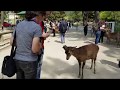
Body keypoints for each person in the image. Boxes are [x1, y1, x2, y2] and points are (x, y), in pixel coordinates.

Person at [10, 11, 43, 79]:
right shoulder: (37, 27)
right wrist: (39, 48)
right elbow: (34, 49)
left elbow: (11, 42)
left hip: (17, 59)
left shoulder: (18, 25)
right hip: (30, 61)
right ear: (36, 15)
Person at [32, 11, 50, 79]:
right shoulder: (37, 22)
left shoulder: (41, 22)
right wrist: (46, 35)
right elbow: (38, 33)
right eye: (47, 14)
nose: (47, 16)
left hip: (40, 45)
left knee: (37, 66)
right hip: (37, 47)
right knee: (37, 67)